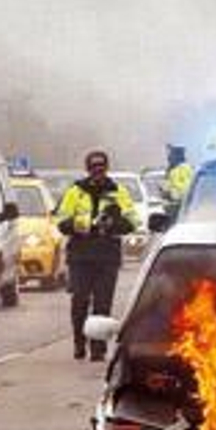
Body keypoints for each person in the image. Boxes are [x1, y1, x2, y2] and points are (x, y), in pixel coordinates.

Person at [56, 150, 141, 361]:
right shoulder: (75, 191)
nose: (98, 171)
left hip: (107, 256)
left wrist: (113, 224)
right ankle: (79, 342)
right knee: (80, 301)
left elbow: (133, 222)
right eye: (94, 166)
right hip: (80, 255)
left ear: (106, 167)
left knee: (103, 304)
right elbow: (61, 221)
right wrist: (78, 225)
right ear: (87, 169)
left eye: (101, 166)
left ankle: (98, 348)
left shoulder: (118, 191)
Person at [164, 144, 193, 218]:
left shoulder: (185, 168)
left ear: (178, 156)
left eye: (171, 154)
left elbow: (187, 187)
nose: (169, 157)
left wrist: (173, 193)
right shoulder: (172, 170)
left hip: (181, 204)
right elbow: (167, 186)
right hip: (172, 205)